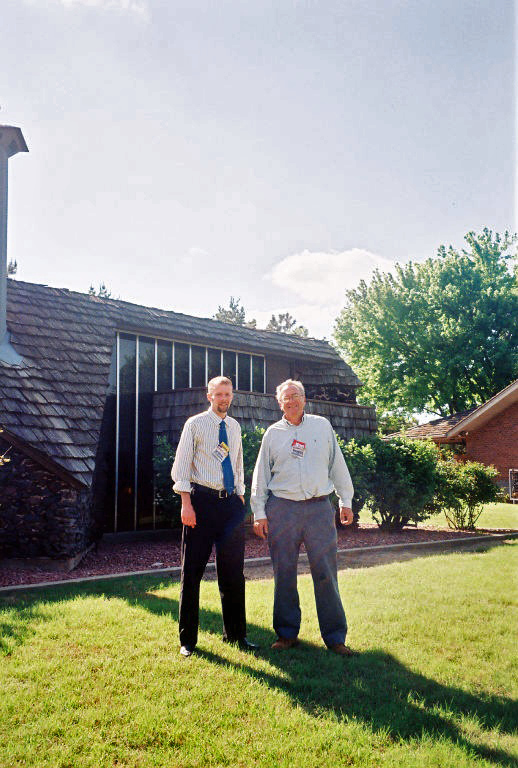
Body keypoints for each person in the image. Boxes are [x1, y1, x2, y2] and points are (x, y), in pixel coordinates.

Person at [251, 379, 355, 656]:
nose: (291, 401)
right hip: (282, 510)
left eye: (295, 396)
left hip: (320, 509)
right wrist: (259, 513)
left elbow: (337, 464)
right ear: (279, 403)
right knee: (283, 573)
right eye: (286, 398)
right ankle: (286, 635)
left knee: (326, 574)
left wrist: (346, 500)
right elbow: (260, 477)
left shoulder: (322, 426)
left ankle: (335, 638)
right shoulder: (272, 434)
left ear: (304, 399)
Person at [171, 376, 258, 657]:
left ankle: (236, 634)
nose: (224, 399)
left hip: (230, 505)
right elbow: (181, 467)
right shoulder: (195, 424)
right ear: (209, 396)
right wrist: (186, 504)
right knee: (192, 572)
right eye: (218, 394)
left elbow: (238, 462)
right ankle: (188, 641)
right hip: (201, 504)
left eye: (228, 394)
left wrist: (240, 494)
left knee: (233, 574)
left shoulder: (233, 426)